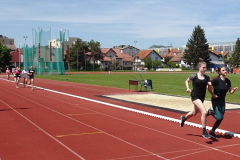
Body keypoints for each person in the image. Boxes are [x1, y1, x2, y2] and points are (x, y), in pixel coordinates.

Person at [180, 58, 214, 139]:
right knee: (204, 112)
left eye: (206, 67)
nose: (205, 69)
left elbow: (208, 87)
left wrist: (210, 87)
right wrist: (187, 88)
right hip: (195, 96)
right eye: (203, 67)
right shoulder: (194, 76)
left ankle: (184, 118)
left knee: (194, 113)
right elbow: (186, 81)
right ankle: (204, 131)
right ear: (199, 67)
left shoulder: (207, 77)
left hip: (202, 97)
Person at [208, 66, 238, 138]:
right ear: (219, 72)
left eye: (225, 70)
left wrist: (233, 89)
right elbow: (208, 87)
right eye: (223, 70)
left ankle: (212, 131)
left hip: (222, 101)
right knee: (219, 118)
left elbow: (230, 92)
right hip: (216, 100)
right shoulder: (216, 80)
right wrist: (212, 94)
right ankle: (210, 112)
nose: (225, 71)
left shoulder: (228, 81)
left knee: (221, 118)